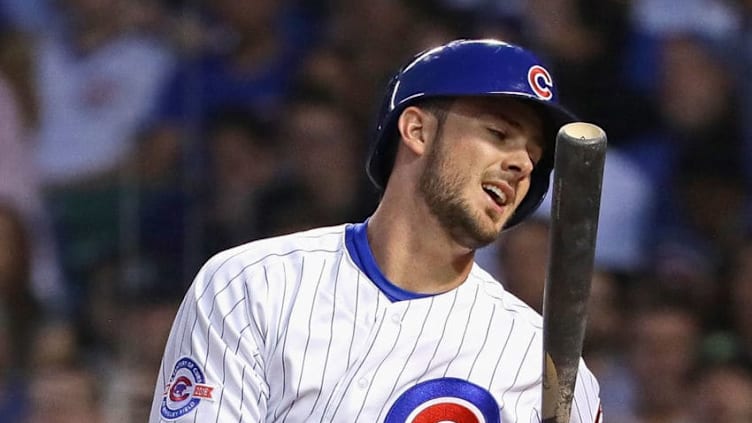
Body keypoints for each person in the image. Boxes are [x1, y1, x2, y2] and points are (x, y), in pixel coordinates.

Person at [149, 38, 602, 422]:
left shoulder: (542, 365)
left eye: (534, 154)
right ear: (418, 130)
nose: (522, 163)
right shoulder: (253, 285)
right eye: (499, 133)